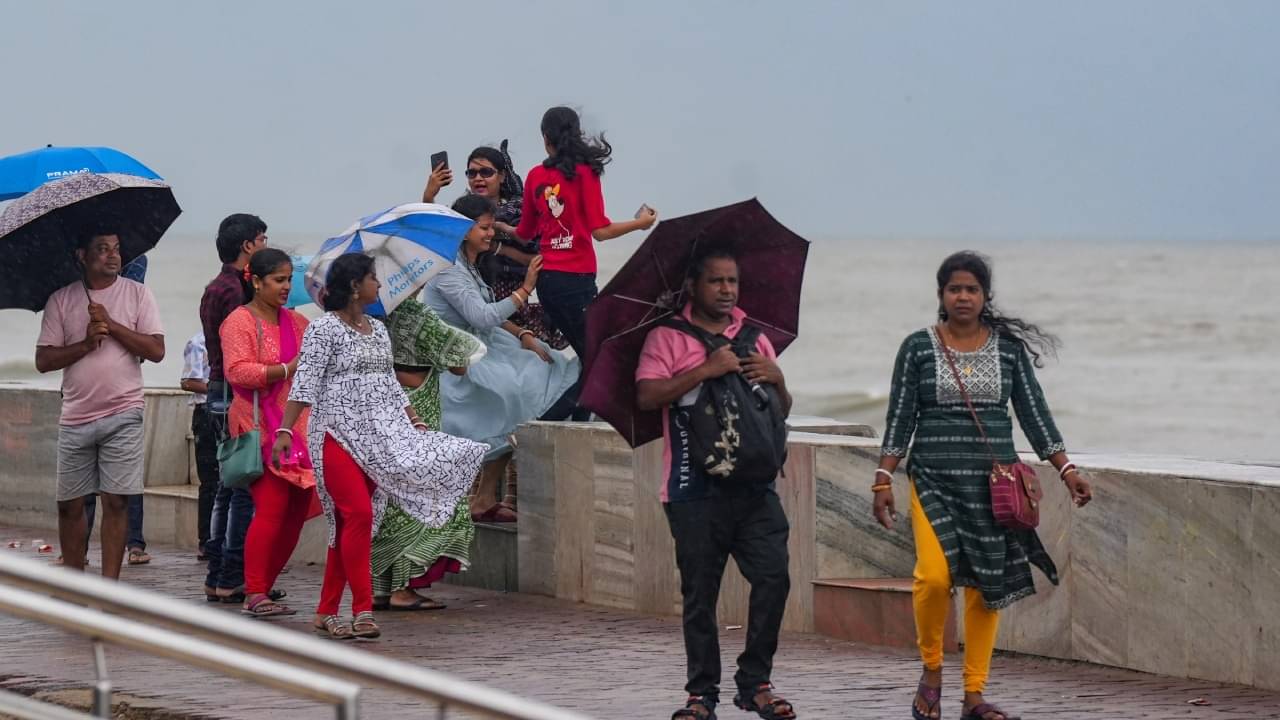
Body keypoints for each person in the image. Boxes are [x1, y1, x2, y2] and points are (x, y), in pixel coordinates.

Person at [871, 251, 1094, 720]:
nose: (964, 296)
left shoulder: (1008, 350)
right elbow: (899, 417)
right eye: (955, 289)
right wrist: (883, 476)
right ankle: (931, 670)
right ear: (941, 296)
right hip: (933, 479)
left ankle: (974, 694)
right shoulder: (917, 347)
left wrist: (1067, 469)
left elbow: (1034, 415)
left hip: (992, 488)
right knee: (932, 578)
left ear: (986, 296)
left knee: (984, 589)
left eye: (972, 289)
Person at [272, 254, 486, 640]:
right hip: (336, 434)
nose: (380, 286)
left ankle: (325, 610)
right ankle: (362, 609)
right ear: (355, 285)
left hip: (379, 439)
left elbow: (388, 381)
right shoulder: (324, 331)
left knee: (347, 525)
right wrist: (286, 431)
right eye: (374, 278)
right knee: (358, 515)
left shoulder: (377, 330)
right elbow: (304, 383)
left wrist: (412, 418)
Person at [635, 246, 796, 720]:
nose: (726, 291)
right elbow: (646, 396)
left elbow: (779, 409)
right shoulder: (666, 337)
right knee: (700, 595)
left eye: (733, 282)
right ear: (692, 285)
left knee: (773, 578)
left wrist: (780, 379)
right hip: (693, 489)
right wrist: (706, 369)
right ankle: (701, 694)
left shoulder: (754, 337)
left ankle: (755, 683)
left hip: (756, 488)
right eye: (716, 282)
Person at [422, 194, 579, 522]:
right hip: (457, 361)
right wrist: (526, 288)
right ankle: (473, 499)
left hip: (485, 347)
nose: (491, 234)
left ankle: (483, 498)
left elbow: (488, 317)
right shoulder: (448, 271)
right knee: (513, 395)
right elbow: (480, 316)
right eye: (485, 228)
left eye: (492, 227)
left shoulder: (467, 264)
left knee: (546, 364)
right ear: (465, 231)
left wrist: (522, 334)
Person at [35, 228, 165, 579]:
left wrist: (113, 325)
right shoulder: (61, 300)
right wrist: (85, 343)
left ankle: (108, 590)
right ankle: (78, 589)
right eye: (102, 249)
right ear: (82, 255)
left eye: (117, 248)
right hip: (75, 415)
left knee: (117, 500)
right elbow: (44, 361)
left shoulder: (138, 294)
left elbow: (156, 351)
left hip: (124, 411)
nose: (113, 255)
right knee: (69, 505)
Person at [513, 107, 658, 418]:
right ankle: (539, 428)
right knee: (600, 365)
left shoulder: (536, 176)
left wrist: (501, 229)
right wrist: (641, 223)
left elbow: (525, 233)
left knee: (591, 363)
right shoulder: (584, 172)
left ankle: (575, 429)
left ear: (545, 138)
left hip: (548, 283)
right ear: (575, 134)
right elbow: (601, 232)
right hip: (576, 281)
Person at [221, 249, 316, 617]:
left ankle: (264, 585)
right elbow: (237, 371)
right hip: (258, 425)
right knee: (272, 508)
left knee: (294, 512)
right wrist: (284, 369)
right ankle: (255, 591)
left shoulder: (297, 322)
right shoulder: (239, 322)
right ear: (255, 281)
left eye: (289, 279)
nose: (285, 286)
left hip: (297, 427)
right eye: (278, 280)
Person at [376, 297, 485, 609]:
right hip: (417, 410)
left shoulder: (364, 319)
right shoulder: (415, 312)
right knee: (429, 495)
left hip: (383, 413)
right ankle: (404, 587)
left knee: (390, 497)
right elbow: (460, 362)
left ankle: (381, 586)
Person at [423, 142, 568, 351]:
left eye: (486, 172)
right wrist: (429, 195)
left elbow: (540, 256)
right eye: (471, 173)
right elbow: (437, 233)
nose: (478, 178)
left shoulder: (518, 210)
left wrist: (501, 248)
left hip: (510, 296)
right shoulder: (462, 214)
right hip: (475, 299)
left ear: (501, 176)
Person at [200, 213, 268, 603]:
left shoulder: (218, 286)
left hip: (219, 389)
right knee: (241, 485)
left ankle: (218, 573)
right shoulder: (233, 292)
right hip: (233, 392)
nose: (264, 245)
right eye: (261, 240)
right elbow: (242, 350)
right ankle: (230, 574)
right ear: (248, 246)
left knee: (228, 486)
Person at [179, 331, 218, 560]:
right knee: (210, 480)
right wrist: (219, 388)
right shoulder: (199, 342)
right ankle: (206, 540)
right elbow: (188, 382)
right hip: (206, 413)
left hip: (228, 410)